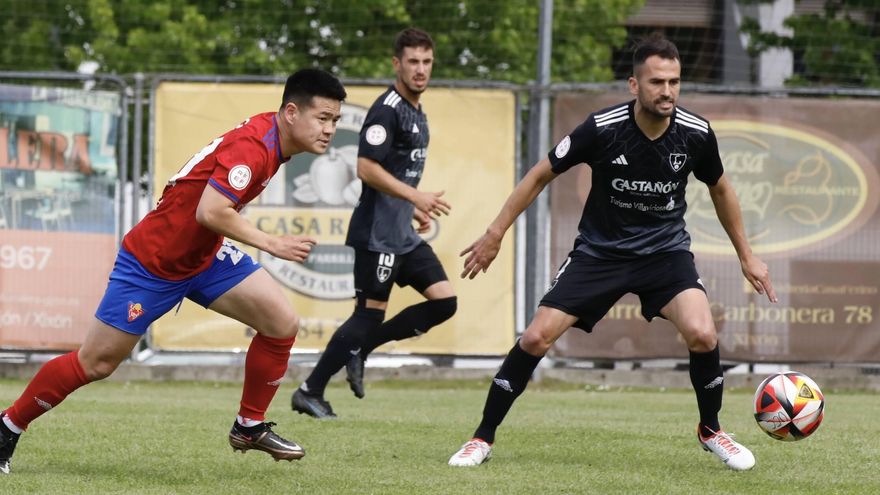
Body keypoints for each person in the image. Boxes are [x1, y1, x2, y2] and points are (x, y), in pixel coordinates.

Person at [447, 33, 777, 471]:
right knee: (534, 337)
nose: (668, 91)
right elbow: (540, 174)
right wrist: (495, 232)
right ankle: (481, 438)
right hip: (600, 253)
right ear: (634, 85)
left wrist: (746, 255)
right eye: (657, 82)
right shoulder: (602, 129)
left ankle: (711, 429)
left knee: (703, 333)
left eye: (675, 81)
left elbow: (720, 188)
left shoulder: (695, 134)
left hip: (664, 254)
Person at [0, 69, 348, 474]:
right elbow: (210, 211)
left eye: (336, 120)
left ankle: (248, 426)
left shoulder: (272, 140)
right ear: (291, 112)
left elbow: (209, 215)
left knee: (281, 323)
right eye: (323, 118)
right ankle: (8, 425)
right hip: (154, 262)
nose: (330, 129)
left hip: (203, 256)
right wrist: (273, 243)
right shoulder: (254, 147)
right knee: (96, 363)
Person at [291, 28, 456, 419]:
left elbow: (394, 171)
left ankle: (361, 348)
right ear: (396, 64)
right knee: (368, 314)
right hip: (376, 233)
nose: (420, 70)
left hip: (401, 231)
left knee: (444, 302)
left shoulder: (415, 109)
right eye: (413, 61)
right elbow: (365, 167)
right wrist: (415, 197)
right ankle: (310, 390)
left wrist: (410, 206)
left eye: (427, 62)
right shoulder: (387, 109)